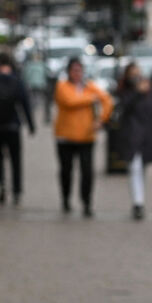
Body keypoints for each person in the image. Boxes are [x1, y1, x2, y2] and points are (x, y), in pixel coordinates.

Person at [53, 57, 113, 217]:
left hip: (86, 136)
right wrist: (91, 99)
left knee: (87, 172)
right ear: (69, 72)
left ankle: (86, 202)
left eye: (79, 70)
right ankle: (65, 198)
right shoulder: (62, 86)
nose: (77, 74)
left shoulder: (90, 87)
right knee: (66, 171)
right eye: (74, 70)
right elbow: (69, 101)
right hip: (65, 136)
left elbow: (107, 100)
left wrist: (101, 119)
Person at [0, 51, 36, 205]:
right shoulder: (17, 80)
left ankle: (2, 184)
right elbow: (25, 103)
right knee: (16, 160)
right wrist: (31, 124)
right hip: (13, 126)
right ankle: (17, 191)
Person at [116, 62, 152, 220]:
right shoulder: (124, 90)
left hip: (147, 137)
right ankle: (138, 203)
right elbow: (123, 109)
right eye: (133, 73)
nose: (137, 76)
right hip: (132, 136)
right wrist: (137, 93)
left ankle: (139, 200)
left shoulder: (149, 91)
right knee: (135, 168)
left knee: (141, 169)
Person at [22, 51, 50, 123]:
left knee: (35, 99)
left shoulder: (32, 65)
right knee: (36, 99)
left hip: (36, 84)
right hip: (37, 84)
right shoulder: (38, 65)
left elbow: (25, 75)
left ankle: (35, 110)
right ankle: (36, 111)